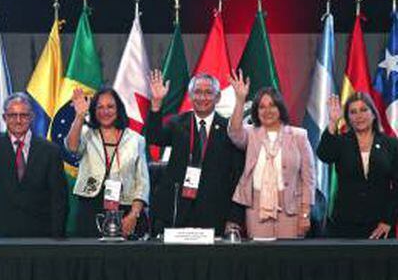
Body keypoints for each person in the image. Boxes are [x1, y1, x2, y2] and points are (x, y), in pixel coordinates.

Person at [146, 70, 244, 236]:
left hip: (214, 213)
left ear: (218, 97)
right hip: (177, 212)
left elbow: (237, 177)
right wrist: (156, 104)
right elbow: (154, 137)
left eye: (208, 93)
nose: (202, 98)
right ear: (190, 96)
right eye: (197, 92)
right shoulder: (177, 123)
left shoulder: (229, 130)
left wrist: (234, 218)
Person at [227, 70, 315, 239]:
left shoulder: (299, 136)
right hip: (256, 207)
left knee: (289, 258)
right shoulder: (250, 133)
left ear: (280, 108)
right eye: (262, 107)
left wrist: (305, 213)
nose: (267, 111)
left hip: (291, 207)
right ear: (256, 111)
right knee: (261, 259)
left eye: (272, 105)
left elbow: (308, 179)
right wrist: (240, 100)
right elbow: (234, 132)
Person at [66, 87, 150, 238]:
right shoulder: (86, 133)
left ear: (119, 109)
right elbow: (72, 148)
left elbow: (142, 183)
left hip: (125, 208)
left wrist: (133, 215)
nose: (105, 112)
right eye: (100, 107)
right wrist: (79, 116)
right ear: (94, 110)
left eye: (110, 107)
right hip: (90, 206)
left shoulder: (136, 140)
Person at [0, 93, 68, 237]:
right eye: (12, 115)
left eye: (23, 115)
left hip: (39, 235)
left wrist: (57, 236)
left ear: (32, 117)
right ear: (4, 118)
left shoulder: (50, 151)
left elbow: (59, 198)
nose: (18, 120)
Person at [317, 92, 398, 239]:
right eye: (353, 112)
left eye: (364, 110)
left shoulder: (391, 144)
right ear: (348, 118)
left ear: (373, 114)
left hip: (380, 226)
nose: (359, 116)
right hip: (344, 225)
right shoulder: (341, 142)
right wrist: (333, 122)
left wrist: (388, 220)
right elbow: (324, 155)